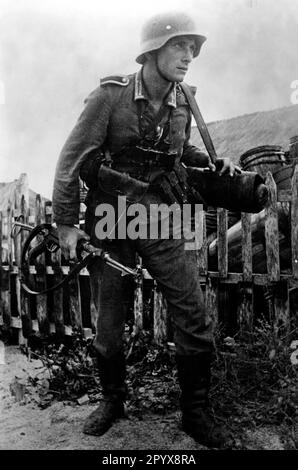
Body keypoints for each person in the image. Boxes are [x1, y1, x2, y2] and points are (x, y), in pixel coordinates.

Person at [52, 11, 238, 448]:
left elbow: (178, 152)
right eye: (180, 46)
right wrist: (65, 224)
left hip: (162, 215)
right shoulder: (109, 97)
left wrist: (210, 162)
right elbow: (70, 161)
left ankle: (195, 413)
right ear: (153, 50)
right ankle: (113, 400)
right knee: (109, 322)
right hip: (110, 217)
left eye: (193, 48)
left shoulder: (186, 100)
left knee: (192, 310)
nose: (189, 55)